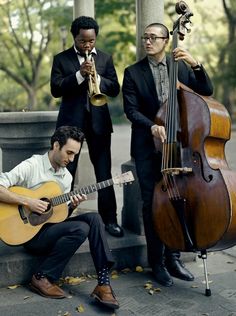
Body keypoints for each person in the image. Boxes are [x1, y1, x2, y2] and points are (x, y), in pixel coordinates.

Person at [122, 23, 213, 287]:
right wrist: (151, 125)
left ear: (166, 40)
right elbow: (131, 109)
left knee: (178, 200)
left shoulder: (181, 67)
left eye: (153, 37)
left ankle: (174, 258)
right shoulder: (132, 72)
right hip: (148, 147)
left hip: (181, 146)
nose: (147, 41)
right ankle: (157, 263)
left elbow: (206, 90)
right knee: (152, 204)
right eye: (145, 37)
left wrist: (195, 64)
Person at [0, 126, 119, 310]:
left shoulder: (66, 177)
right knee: (81, 229)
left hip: (47, 229)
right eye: (69, 153)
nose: (71, 159)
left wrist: (72, 205)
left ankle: (103, 284)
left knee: (94, 219)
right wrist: (28, 202)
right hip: (28, 233)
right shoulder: (33, 165)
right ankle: (41, 277)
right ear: (56, 145)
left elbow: (58, 217)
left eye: (75, 155)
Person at [50, 16, 123, 238]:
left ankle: (110, 220)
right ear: (75, 37)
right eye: (83, 41)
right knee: (65, 173)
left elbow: (114, 89)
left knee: (103, 173)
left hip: (99, 124)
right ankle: (60, 219)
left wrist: (97, 77)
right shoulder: (61, 59)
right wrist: (80, 74)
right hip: (70, 126)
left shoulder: (105, 58)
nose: (88, 45)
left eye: (91, 41)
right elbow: (56, 89)